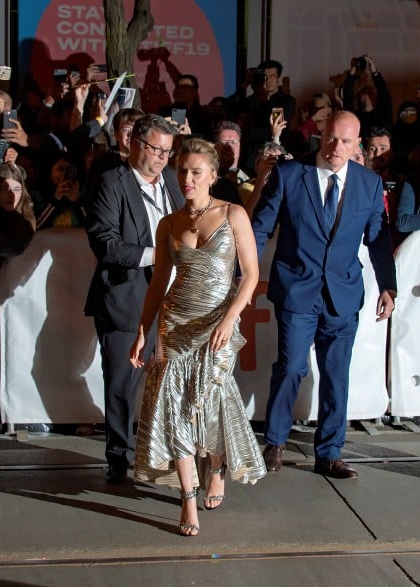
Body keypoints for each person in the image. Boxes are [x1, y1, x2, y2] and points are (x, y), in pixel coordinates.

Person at [129, 137, 266, 537]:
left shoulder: (233, 214)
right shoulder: (168, 223)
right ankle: (188, 498)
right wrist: (143, 331)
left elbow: (251, 275)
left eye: (195, 172)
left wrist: (230, 318)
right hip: (176, 322)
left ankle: (217, 466)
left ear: (212, 175)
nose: (187, 178)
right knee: (173, 405)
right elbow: (157, 283)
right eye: (182, 170)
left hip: (217, 321)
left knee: (212, 400)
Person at [252, 110, 397, 479]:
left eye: (346, 141)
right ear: (321, 135)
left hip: (343, 295)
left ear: (357, 144)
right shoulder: (289, 175)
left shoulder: (369, 184)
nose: (336, 147)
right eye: (331, 138)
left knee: (337, 375)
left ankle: (329, 453)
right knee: (291, 367)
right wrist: (244, 274)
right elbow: (260, 228)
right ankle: (276, 443)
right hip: (297, 290)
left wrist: (388, 285)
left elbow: (378, 239)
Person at [84, 114, 185, 484]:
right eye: (156, 149)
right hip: (126, 298)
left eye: (167, 152)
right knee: (122, 385)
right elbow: (105, 245)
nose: (161, 158)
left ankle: (166, 454)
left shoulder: (173, 182)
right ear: (135, 144)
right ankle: (118, 459)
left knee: (171, 384)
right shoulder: (111, 182)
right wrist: (156, 254)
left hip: (173, 298)